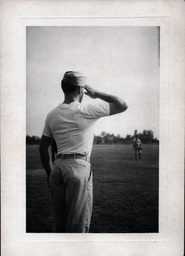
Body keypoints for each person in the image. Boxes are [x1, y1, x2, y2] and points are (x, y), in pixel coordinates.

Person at [39, 71, 128, 233]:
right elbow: (122, 105)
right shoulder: (86, 109)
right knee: (77, 225)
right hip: (78, 167)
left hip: (57, 168)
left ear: (63, 87)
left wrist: (49, 173)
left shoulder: (51, 114)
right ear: (80, 90)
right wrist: (96, 94)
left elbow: (43, 147)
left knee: (60, 224)